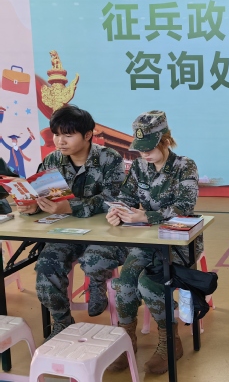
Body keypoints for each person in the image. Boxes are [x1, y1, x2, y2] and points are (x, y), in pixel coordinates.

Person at [19, 105, 127, 339]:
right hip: (66, 233)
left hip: (106, 233)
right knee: (46, 269)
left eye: (68, 135)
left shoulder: (110, 158)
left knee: (95, 259)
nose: (60, 141)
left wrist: (71, 207)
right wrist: (33, 206)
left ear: (87, 135)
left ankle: (97, 281)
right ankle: (62, 321)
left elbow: (115, 199)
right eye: (56, 134)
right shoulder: (52, 160)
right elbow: (41, 195)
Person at [106, 110, 199, 375]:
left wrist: (146, 215)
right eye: (140, 149)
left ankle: (170, 341)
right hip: (146, 241)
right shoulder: (139, 167)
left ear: (165, 140)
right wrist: (118, 212)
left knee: (148, 284)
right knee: (126, 283)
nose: (144, 154)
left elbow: (185, 206)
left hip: (178, 244)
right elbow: (125, 196)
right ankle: (126, 341)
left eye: (149, 148)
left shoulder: (185, 166)